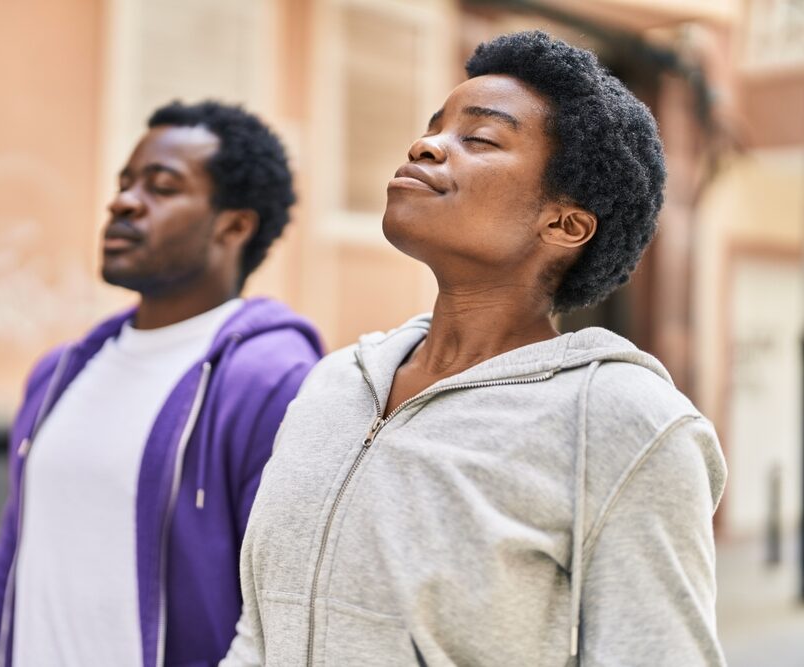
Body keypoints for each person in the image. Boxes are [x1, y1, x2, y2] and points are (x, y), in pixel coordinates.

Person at [223, 31, 726, 666]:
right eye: (434, 128)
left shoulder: (624, 423)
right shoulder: (332, 386)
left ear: (565, 224)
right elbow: (260, 629)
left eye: (479, 139)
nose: (425, 145)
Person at [0, 101, 323, 667]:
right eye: (125, 183)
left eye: (161, 188)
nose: (123, 201)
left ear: (234, 225)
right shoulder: (59, 373)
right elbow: (12, 566)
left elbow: (284, 608)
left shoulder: (271, 382)